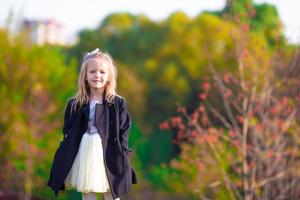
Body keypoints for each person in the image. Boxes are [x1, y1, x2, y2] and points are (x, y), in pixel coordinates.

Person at [47, 48, 137, 200]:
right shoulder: (75, 103)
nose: (97, 75)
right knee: (88, 191)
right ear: (85, 76)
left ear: (109, 76)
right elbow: (68, 131)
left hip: (109, 150)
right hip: (84, 150)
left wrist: (123, 154)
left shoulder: (117, 103)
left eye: (102, 72)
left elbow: (124, 130)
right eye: (92, 72)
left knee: (111, 191)